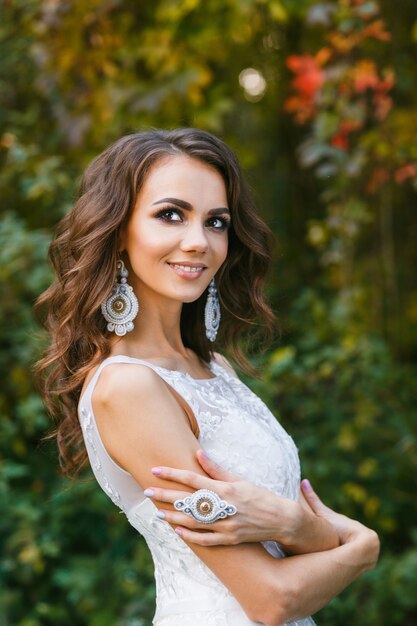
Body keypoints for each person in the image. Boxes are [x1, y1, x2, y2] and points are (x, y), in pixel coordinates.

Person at [36, 128, 379, 626]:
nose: (198, 242)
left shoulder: (214, 368)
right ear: (117, 232)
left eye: (215, 222)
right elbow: (271, 599)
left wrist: (295, 527)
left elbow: (292, 549)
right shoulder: (127, 388)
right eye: (170, 214)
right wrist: (361, 546)